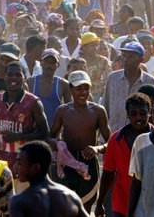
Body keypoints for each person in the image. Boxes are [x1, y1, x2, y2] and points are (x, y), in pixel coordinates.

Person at [49, 71, 111, 212]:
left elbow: (111, 142)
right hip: (66, 163)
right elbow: (50, 137)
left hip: (88, 162)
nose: (83, 92)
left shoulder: (98, 111)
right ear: (70, 90)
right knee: (65, 207)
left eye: (86, 88)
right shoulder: (63, 111)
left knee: (85, 207)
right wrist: (59, 145)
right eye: (78, 89)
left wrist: (97, 149)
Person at [0, 61, 49, 187]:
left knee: (23, 205)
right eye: (10, 75)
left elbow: (44, 133)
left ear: (24, 78)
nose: (13, 78)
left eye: (18, 75)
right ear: (4, 77)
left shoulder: (33, 102)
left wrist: (20, 137)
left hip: (24, 166)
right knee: (2, 205)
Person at [95, 93, 152, 217]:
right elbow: (108, 173)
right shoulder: (115, 139)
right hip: (122, 204)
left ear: (149, 113)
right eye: (133, 114)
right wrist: (100, 203)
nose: (138, 118)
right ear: (127, 115)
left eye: (143, 113)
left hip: (150, 206)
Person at [9, 141, 88, 217]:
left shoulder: (19, 202)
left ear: (35, 167)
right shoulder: (71, 197)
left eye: (20, 164)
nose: (15, 167)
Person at [101, 41, 154, 131]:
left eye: (131, 57)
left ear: (141, 59)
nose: (126, 59)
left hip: (138, 135)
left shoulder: (149, 81)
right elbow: (105, 106)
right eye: (124, 56)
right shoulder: (113, 78)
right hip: (113, 134)